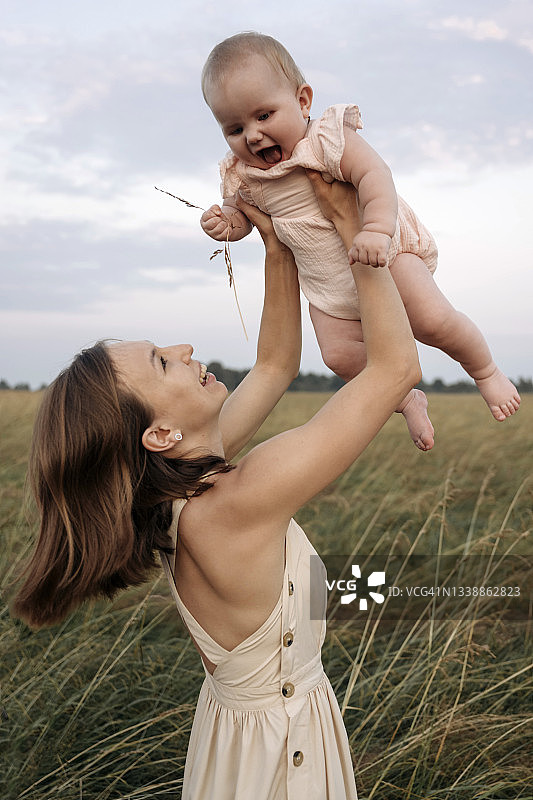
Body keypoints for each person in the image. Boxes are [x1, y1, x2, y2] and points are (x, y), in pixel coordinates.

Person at [13, 176, 420, 800]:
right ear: (160, 433)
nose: (184, 347)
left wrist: (277, 248)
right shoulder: (234, 503)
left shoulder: (177, 490)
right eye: (161, 362)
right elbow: (395, 370)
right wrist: (351, 225)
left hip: (237, 742)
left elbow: (277, 363)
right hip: (282, 754)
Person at [200, 31, 521, 452]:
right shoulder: (241, 174)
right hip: (326, 288)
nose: (253, 136)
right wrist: (227, 224)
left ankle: (485, 370)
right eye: (235, 128)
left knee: (433, 320)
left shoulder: (326, 140)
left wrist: (375, 230)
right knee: (338, 356)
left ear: (302, 101)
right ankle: (405, 398)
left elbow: (375, 175)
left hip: (384, 255)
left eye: (264, 116)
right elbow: (245, 217)